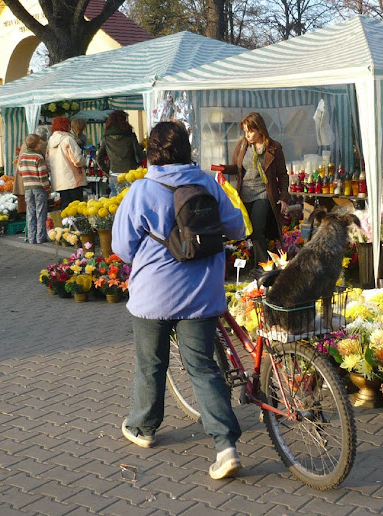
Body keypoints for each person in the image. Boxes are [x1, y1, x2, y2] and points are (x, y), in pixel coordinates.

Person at [112, 121, 246, 480]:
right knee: (203, 367)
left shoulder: (141, 190)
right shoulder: (207, 184)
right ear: (188, 149)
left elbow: (122, 247)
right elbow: (237, 228)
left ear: (151, 153)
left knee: (151, 363)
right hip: (201, 294)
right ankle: (226, 447)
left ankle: (143, 427)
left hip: (153, 296)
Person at [212, 112, 289, 267]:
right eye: (245, 131)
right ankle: (253, 265)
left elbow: (283, 175)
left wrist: (284, 197)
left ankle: (264, 267)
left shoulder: (274, 148)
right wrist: (223, 168)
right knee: (245, 230)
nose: (247, 135)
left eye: (250, 131)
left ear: (260, 130)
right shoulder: (243, 145)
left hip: (264, 194)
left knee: (257, 228)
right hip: (244, 193)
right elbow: (237, 168)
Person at [96, 110, 144, 195]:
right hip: (131, 173)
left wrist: (108, 172)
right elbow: (139, 155)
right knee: (132, 197)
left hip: (114, 174)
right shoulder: (130, 136)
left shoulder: (106, 138)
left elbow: (99, 158)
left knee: (115, 199)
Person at [47, 116, 87, 209]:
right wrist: (84, 160)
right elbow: (77, 160)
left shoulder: (50, 141)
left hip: (59, 181)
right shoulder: (68, 139)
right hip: (73, 180)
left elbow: (47, 162)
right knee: (77, 208)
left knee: (65, 207)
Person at [17, 134, 50, 244]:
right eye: (39, 143)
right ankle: (40, 237)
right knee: (41, 213)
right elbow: (43, 176)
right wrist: (48, 190)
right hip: (39, 188)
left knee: (30, 213)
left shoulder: (23, 157)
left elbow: (20, 171)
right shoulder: (38, 157)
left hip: (27, 188)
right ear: (37, 145)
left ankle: (31, 238)